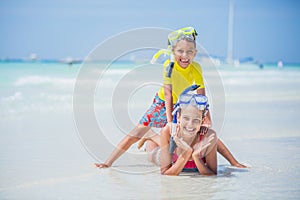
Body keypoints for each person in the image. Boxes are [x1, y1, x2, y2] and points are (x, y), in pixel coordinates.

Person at [95, 27, 246, 169]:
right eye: (180, 51)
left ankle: (234, 162)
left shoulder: (197, 68)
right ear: (173, 51)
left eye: (189, 52)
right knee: (135, 134)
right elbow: (168, 95)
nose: (185, 56)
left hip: (182, 103)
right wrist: (169, 122)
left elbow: (202, 95)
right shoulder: (169, 66)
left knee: (204, 132)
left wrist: (207, 117)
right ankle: (108, 162)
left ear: (195, 53)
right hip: (162, 103)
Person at [146, 94, 217, 175]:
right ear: (178, 117)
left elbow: (212, 174)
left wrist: (196, 157)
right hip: (160, 156)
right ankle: (149, 135)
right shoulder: (168, 131)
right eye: (186, 118)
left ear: (203, 120)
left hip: (173, 148)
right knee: (152, 154)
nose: (190, 124)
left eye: (196, 120)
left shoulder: (209, 136)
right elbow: (165, 174)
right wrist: (187, 152)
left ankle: (151, 136)